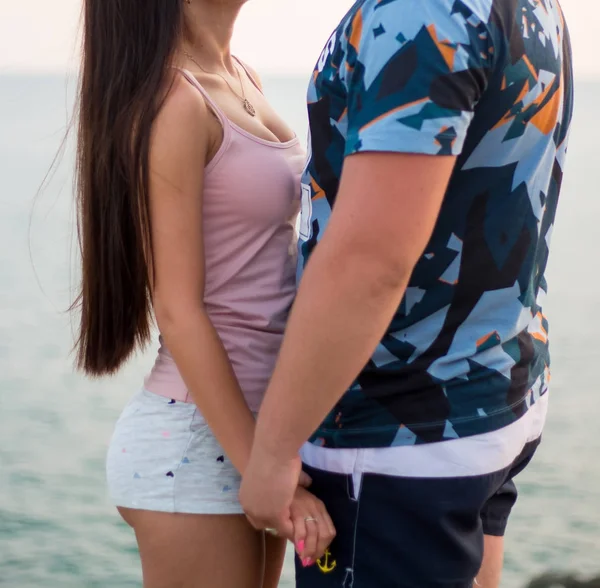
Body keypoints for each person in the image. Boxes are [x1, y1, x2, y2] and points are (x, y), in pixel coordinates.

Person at [240, 0, 574, 586]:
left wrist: (270, 452)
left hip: (399, 429)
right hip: (491, 393)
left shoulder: (420, 10)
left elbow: (371, 263)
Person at [71, 1, 335, 587]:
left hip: (251, 431)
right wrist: (265, 468)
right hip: (195, 441)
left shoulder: (240, 75)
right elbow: (178, 310)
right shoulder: (177, 104)